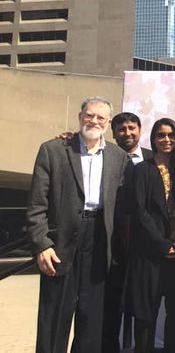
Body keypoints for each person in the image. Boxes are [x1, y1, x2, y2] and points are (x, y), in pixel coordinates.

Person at [26, 96, 129, 353]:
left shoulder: (118, 157)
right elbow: (37, 203)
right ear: (80, 117)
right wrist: (41, 244)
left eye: (100, 117)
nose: (94, 121)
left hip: (100, 239)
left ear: (108, 123)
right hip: (60, 241)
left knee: (92, 319)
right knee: (54, 315)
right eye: (89, 115)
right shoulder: (53, 150)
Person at [125, 118, 175, 353]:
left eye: (171, 135)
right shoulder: (143, 169)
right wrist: (162, 244)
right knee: (145, 314)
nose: (166, 140)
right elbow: (139, 210)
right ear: (153, 139)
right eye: (161, 135)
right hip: (150, 253)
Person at [104, 112, 153, 353]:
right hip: (113, 246)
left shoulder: (155, 158)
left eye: (132, 128)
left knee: (144, 309)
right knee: (111, 307)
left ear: (140, 130)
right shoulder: (103, 156)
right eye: (121, 129)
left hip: (147, 248)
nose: (127, 133)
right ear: (113, 133)